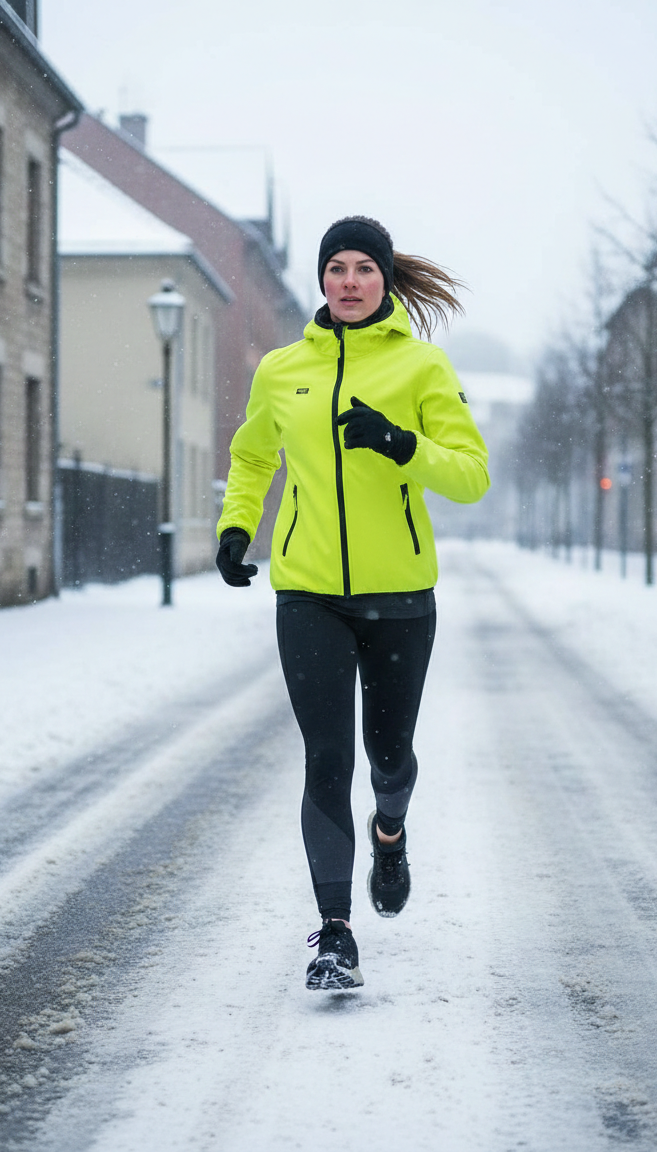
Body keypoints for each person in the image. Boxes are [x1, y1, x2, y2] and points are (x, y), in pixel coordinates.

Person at [215, 216, 489, 990]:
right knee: (327, 758)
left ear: (386, 278)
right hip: (308, 595)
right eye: (335, 266)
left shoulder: (423, 367)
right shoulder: (282, 368)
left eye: (364, 267)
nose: (348, 281)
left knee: (389, 758)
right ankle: (335, 932)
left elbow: (471, 476)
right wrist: (238, 526)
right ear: (322, 280)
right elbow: (252, 455)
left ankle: (391, 831)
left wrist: (401, 443)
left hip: (401, 595)